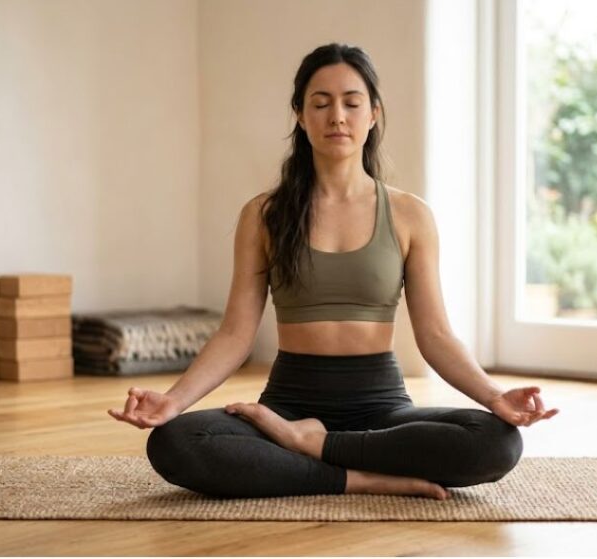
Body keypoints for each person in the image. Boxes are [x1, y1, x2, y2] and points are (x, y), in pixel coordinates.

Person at [108, 43, 559, 501]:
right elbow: (234, 334)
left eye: (351, 102)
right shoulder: (263, 214)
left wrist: (494, 396)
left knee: (496, 442)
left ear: (373, 114)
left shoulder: (409, 215)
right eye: (320, 104)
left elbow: (436, 336)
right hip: (288, 404)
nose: (336, 116)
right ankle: (357, 477)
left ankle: (313, 448)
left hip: (381, 406)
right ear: (301, 117)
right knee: (174, 442)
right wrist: (174, 401)